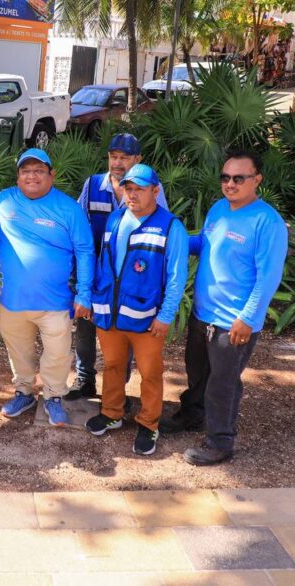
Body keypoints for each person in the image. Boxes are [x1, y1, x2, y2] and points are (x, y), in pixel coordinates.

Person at [160, 150, 288, 465]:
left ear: (256, 179)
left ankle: (220, 442)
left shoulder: (267, 222)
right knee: (198, 371)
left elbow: (268, 276)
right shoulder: (219, 209)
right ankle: (193, 415)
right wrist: (171, 239)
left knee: (223, 382)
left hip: (233, 321)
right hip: (203, 314)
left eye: (238, 178)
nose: (230, 184)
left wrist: (247, 318)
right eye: (226, 177)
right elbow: (205, 243)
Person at [0, 148, 95, 426]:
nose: (32, 176)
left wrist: (85, 293)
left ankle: (53, 396)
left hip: (55, 302)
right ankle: (24, 392)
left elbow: (86, 251)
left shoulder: (69, 209)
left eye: (39, 171)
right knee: (19, 351)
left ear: (51, 175)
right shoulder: (5, 199)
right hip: (12, 300)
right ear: (18, 176)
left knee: (57, 353)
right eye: (26, 171)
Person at [83, 165, 189, 455]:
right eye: (128, 188)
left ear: (156, 191)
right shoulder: (115, 218)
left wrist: (166, 315)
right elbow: (105, 262)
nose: (132, 194)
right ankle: (112, 412)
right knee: (113, 366)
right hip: (111, 312)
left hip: (146, 317)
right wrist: (95, 300)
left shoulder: (170, 226)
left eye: (139, 189)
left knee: (150, 372)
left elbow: (177, 276)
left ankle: (149, 423)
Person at [68, 132, 168, 401]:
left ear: (138, 159)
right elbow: (78, 227)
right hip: (93, 275)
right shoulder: (92, 185)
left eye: (125, 157)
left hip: (129, 279)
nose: (118, 163)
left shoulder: (149, 188)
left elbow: (162, 230)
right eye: (114, 156)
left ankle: (117, 391)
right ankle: (84, 380)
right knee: (86, 330)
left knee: (125, 331)